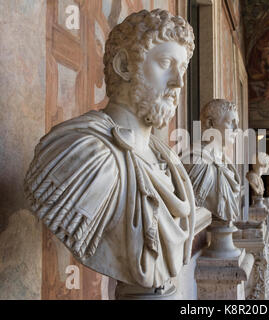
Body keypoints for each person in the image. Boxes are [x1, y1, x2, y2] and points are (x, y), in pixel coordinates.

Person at [24, 9, 196, 293]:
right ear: (124, 66)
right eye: (166, 63)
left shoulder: (169, 161)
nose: (178, 82)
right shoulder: (86, 154)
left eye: (183, 69)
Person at [183, 99, 241, 225]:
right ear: (210, 123)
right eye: (231, 122)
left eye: (237, 123)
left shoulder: (226, 163)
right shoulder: (195, 162)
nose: (237, 129)